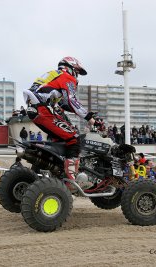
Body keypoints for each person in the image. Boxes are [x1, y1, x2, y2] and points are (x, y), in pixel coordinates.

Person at [23, 56, 97, 184]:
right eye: (77, 72)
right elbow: (71, 100)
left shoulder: (54, 75)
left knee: (60, 141)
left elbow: (64, 104)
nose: (77, 75)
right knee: (74, 139)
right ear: (71, 67)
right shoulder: (67, 77)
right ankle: (71, 182)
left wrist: (86, 114)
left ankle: (43, 174)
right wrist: (88, 117)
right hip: (43, 109)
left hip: (35, 109)